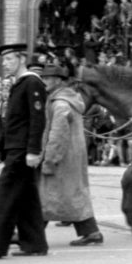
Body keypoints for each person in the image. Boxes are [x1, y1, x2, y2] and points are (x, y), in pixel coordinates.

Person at [0, 44, 49, 259]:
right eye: (3, 61)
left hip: (23, 151)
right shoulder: (19, 84)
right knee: (27, 199)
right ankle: (34, 244)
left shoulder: (32, 83)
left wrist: (33, 150)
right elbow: (12, 122)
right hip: (15, 148)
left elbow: (37, 119)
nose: (4, 64)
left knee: (2, 198)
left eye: (9, 60)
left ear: (21, 59)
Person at [38, 64, 102, 246]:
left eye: (48, 78)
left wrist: (49, 159)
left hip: (62, 158)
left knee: (50, 195)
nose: (44, 81)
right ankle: (91, 233)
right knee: (69, 195)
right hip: (72, 157)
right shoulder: (67, 100)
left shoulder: (59, 104)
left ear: (58, 81)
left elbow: (57, 135)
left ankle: (30, 233)